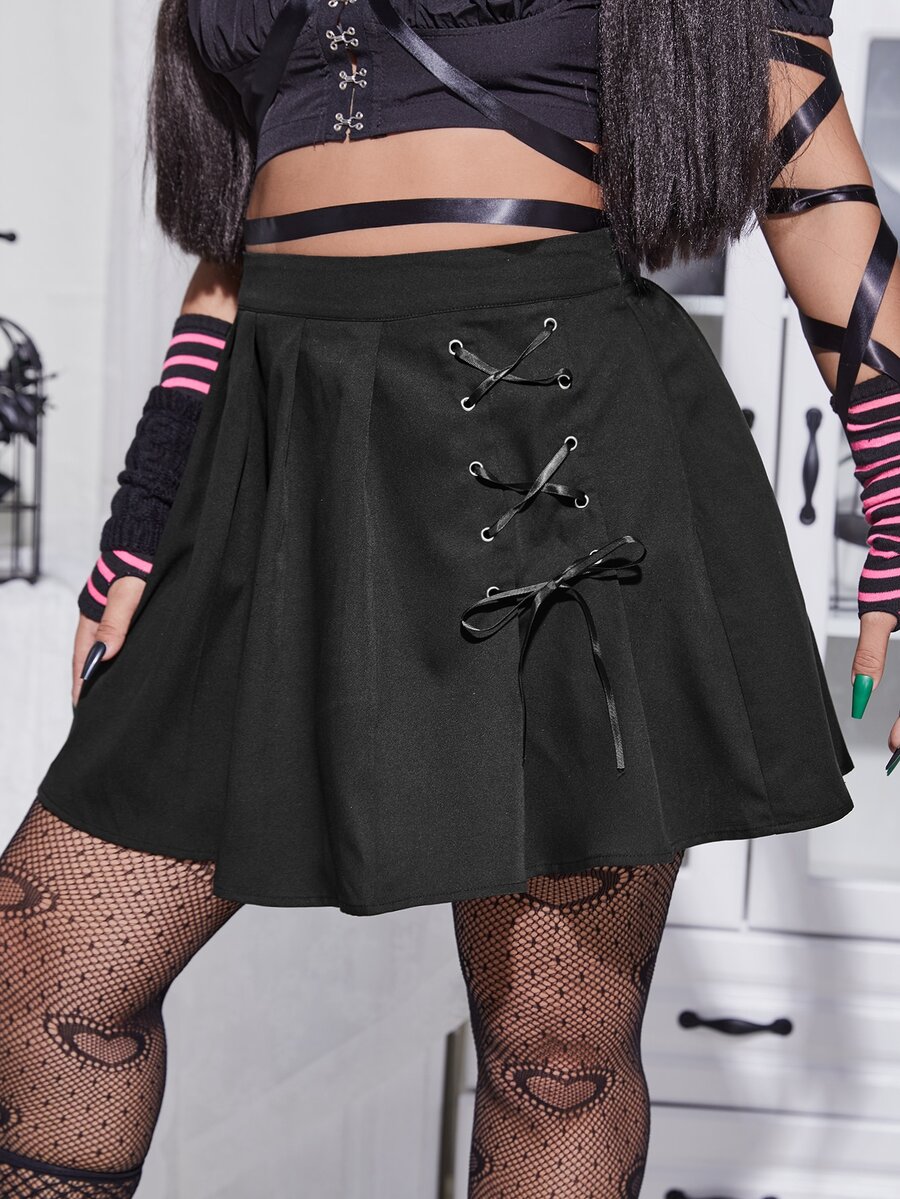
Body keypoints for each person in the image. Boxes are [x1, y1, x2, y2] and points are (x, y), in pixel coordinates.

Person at [1, 0, 898, 1194]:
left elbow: (813, 183)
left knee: (554, 1053)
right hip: (286, 447)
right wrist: (143, 514)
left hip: (551, 449)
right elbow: (235, 248)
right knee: (48, 970)